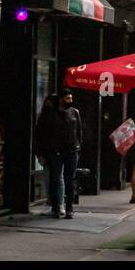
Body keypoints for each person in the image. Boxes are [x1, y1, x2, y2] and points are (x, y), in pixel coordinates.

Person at [47, 89, 83, 218]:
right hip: (56, 151)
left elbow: (79, 132)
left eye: (71, 99)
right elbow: (44, 133)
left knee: (70, 180)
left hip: (71, 150)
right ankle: (56, 207)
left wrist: (78, 148)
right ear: (61, 99)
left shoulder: (74, 112)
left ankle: (69, 208)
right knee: (55, 179)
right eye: (68, 98)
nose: (70, 101)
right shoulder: (52, 114)